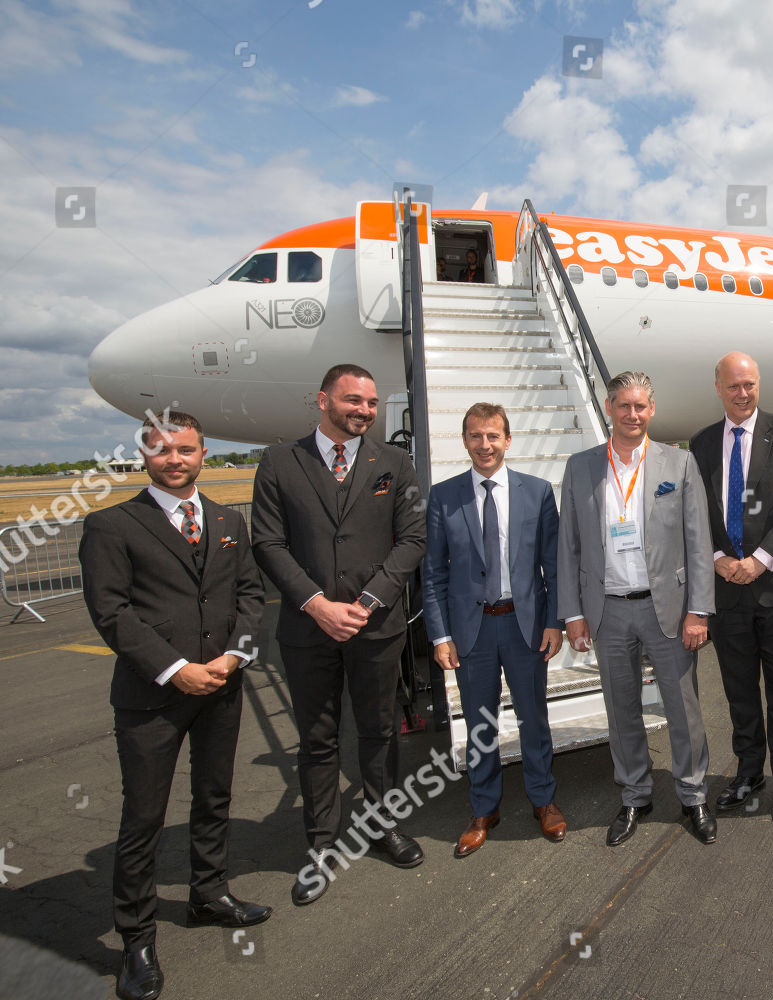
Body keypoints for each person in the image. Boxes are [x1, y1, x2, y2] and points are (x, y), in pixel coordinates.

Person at [79, 412, 269, 1000]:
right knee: (144, 817)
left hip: (221, 683)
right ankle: (135, 940)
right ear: (144, 456)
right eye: (162, 451)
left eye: (185, 449)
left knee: (214, 797)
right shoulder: (112, 525)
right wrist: (175, 669)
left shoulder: (226, 520)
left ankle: (208, 894)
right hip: (153, 696)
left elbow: (249, 596)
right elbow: (112, 612)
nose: (175, 459)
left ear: (203, 453)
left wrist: (234, 659)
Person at [252, 363, 428, 904]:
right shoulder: (280, 463)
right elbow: (268, 543)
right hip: (309, 630)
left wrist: (369, 600)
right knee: (318, 740)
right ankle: (321, 845)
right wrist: (317, 604)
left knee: (378, 733)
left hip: (376, 627)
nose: (364, 411)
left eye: (371, 404)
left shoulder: (395, 463)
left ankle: (382, 825)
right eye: (353, 400)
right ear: (323, 400)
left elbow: (413, 538)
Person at [556, 371, 718, 846]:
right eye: (623, 406)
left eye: (640, 406)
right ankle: (634, 795)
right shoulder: (581, 467)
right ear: (609, 408)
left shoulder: (679, 464)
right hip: (607, 611)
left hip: (666, 609)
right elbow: (568, 548)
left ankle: (693, 795)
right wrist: (573, 614)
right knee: (620, 708)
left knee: (683, 707)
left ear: (652, 409)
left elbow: (698, 543)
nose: (632, 414)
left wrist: (699, 611)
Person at [422, 403, 567, 855]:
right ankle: (484, 808)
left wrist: (554, 621)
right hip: (473, 633)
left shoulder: (537, 492)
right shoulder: (444, 497)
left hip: (524, 628)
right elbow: (433, 574)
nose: (485, 445)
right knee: (480, 723)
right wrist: (440, 635)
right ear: (464, 440)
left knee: (533, 719)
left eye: (493, 436)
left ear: (508, 440)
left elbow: (554, 564)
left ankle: (543, 800)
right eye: (475, 436)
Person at [688, 352, 773, 825]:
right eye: (734, 386)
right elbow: (694, 512)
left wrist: (759, 561)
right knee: (739, 693)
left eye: (751, 385)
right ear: (718, 388)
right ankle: (748, 773)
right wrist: (719, 560)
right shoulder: (700, 444)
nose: (743, 394)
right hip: (726, 593)